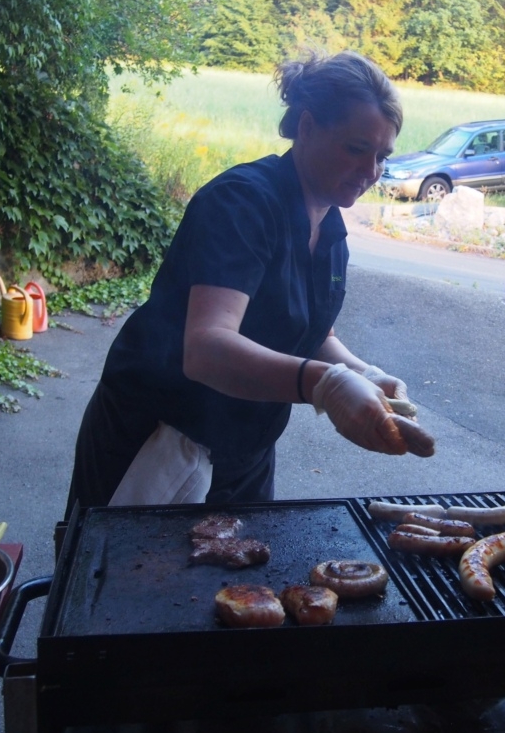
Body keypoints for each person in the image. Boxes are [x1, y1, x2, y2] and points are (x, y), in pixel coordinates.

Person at [65, 49, 433, 520]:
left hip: (246, 452)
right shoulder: (240, 204)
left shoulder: (330, 228)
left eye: (382, 156)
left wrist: (362, 372)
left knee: (245, 566)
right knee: (122, 567)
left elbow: (311, 331)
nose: (371, 171)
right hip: (159, 440)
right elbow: (205, 348)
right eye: (356, 148)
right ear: (307, 127)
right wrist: (325, 385)